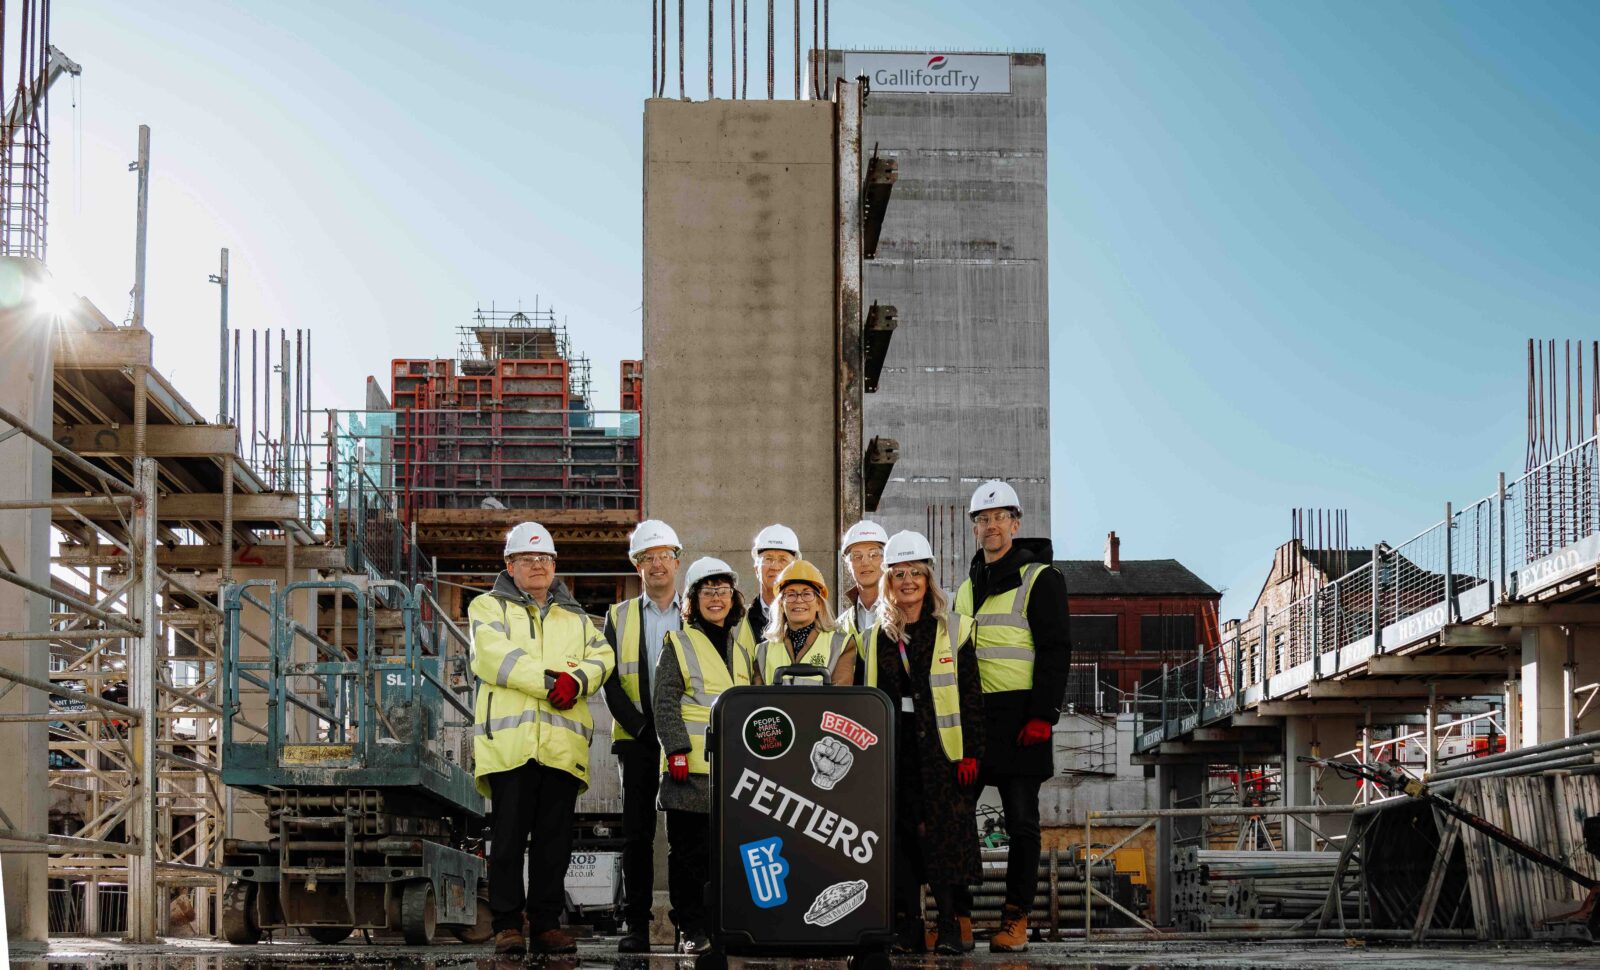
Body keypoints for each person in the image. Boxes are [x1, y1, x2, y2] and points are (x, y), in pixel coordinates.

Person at [469, 522, 615, 956]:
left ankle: (547, 925)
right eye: (528, 559)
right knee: (508, 842)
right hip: (510, 747)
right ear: (509, 564)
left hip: (561, 748)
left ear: (555, 566)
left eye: (545, 559)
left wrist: (579, 680)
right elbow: (493, 656)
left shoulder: (577, 618)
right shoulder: (487, 607)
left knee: (555, 843)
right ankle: (507, 926)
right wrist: (554, 682)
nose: (538, 566)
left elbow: (603, 656)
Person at [953, 481, 1071, 952]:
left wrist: (1043, 714)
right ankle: (958, 918)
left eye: (1000, 518)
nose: (991, 526)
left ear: (1015, 524)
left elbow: (1056, 649)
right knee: (956, 817)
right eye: (983, 519)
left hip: (1023, 719)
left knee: (1021, 823)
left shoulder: (1041, 579)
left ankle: (1015, 919)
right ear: (975, 529)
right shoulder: (965, 589)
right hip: (976, 719)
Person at [859, 530, 983, 954]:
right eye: (898, 574)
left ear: (929, 579)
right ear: (888, 582)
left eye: (915, 573)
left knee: (943, 839)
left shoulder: (953, 628)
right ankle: (909, 928)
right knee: (901, 839)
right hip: (895, 752)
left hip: (944, 753)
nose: (907, 581)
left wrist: (971, 754)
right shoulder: (875, 636)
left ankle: (949, 926)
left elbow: (971, 696)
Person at [652, 557, 757, 954]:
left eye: (723, 590)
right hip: (690, 771)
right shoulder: (679, 643)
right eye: (707, 591)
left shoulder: (741, 650)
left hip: (731, 773)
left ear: (734, 598)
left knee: (723, 857)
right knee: (688, 856)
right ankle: (691, 928)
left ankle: (720, 928)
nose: (716, 598)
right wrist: (676, 750)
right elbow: (665, 701)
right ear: (693, 600)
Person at [600, 519, 683, 953]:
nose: (657, 565)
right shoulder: (619, 615)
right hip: (636, 739)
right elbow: (610, 681)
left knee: (686, 835)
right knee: (637, 834)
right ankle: (636, 925)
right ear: (637, 566)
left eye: (664, 556)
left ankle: (689, 923)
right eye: (648, 558)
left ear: (677, 561)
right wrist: (638, 726)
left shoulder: (694, 612)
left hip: (686, 739)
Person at [752, 559, 856, 685]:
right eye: (791, 594)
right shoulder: (763, 651)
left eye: (807, 594)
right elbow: (758, 695)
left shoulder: (841, 645)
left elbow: (841, 694)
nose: (799, 600)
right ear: (781, 605)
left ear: (819, 604)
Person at [745, 524, 800, 644]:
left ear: (795, 569)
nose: (775, 567)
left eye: (783, 559)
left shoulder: (807, 619)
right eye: (768, 559)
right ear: (756, 569)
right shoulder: (740, 622)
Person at [836, 519, 888, 637]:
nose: (865, 562)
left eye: (873, 555)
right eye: (857, 556)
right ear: (848, 565)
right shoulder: (841, 625)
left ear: (885, 560)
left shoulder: (904, 613)